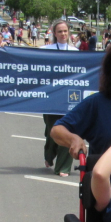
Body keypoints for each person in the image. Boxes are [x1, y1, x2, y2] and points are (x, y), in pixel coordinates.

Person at [41, 19, 80, 177]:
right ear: (54, 33)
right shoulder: (45, 49)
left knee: (67, 131)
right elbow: (26, 61)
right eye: (60, 31)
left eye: (65, 31)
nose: (63, 34)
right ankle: (49, 155)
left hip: (69, 98)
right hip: (51, 98)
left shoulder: (75, 52)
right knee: (52, 130)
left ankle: (63, 167)